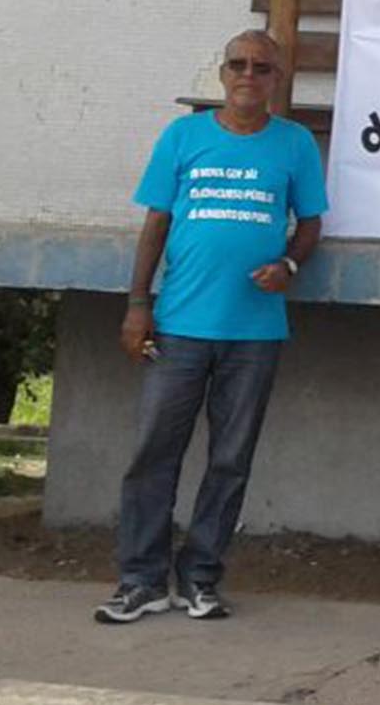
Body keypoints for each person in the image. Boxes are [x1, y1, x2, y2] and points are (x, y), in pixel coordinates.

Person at [96, 30, 327, 625]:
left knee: (230, 460)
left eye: (262, 67)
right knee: (153, 454)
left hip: (255, 333)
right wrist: (136, 305)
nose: (249, 75)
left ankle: (199, 578)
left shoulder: (295, 145)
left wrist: (291, 265)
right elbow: (156, 225)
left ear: (276, 79)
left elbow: (310, 224)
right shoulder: (183, 137)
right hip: (178, 327)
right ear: (222, 75)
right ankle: (141, 580)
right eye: (238, 65)